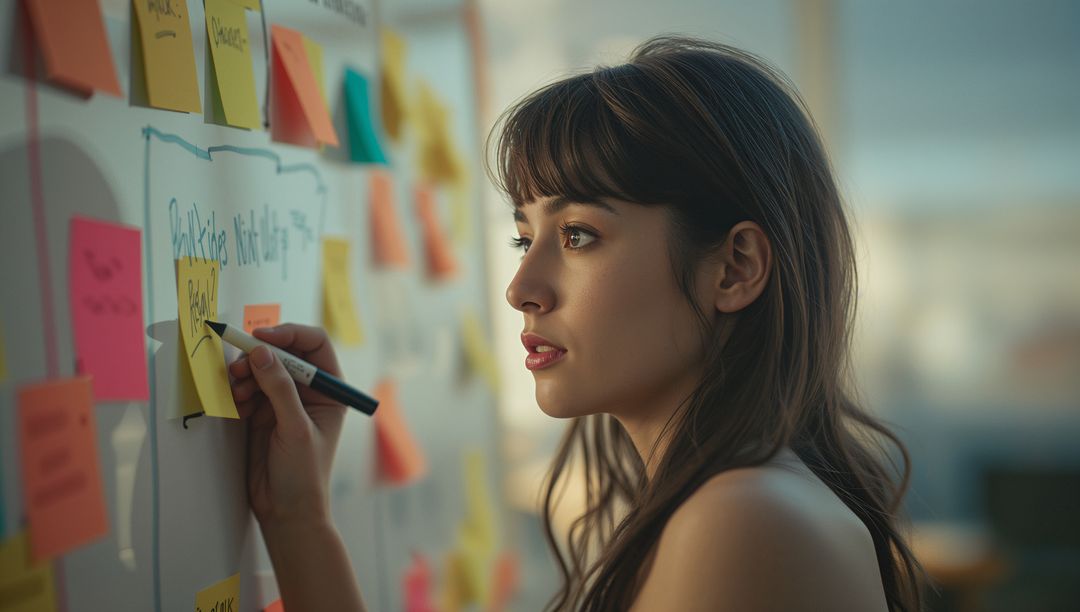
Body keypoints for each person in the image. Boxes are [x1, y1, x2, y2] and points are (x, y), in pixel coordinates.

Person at [229, 36, 924, 611]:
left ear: (735, 268)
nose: (520, 290)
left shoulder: (742, 518)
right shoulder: (745, 502)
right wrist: (297, 520)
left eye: (578, 235)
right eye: (522, 237)